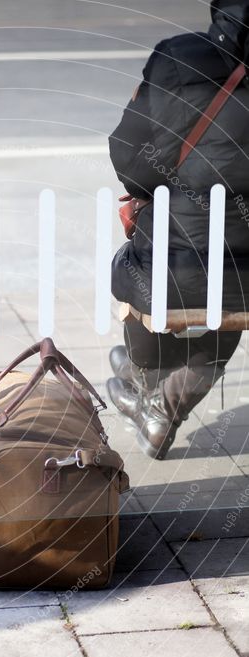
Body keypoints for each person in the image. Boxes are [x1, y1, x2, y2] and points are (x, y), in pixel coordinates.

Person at [107, 1, 249, 459]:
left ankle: (143, 376)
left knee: (138, 270)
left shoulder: (180, 56)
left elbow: (129, 156)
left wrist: (166, 186)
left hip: (174, 255)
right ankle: (161, 407)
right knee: (231, 299)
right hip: (246, 266)